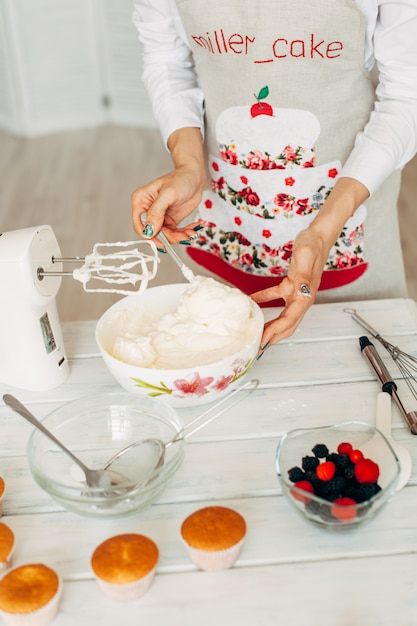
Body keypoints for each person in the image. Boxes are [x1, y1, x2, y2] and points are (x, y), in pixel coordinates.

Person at [130, 0, 417, 354]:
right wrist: (187, 162)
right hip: (226, 225)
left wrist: (324, 232)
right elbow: (166, 59)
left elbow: (407, 92)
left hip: (347, 220)